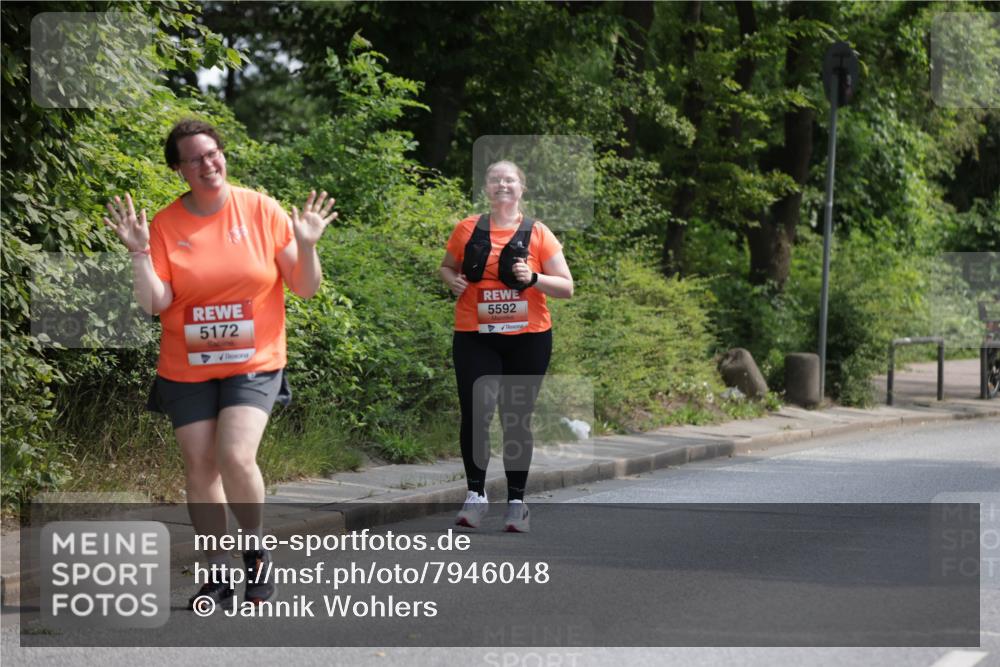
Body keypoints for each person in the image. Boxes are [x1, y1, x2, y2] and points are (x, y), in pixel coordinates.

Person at [103, 119, 337, 608]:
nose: (208, 164)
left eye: (213, 153)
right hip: (185, 366)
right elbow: (154, 302)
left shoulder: (260, 209)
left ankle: (254, 550)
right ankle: (216, 570)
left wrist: (308, 244)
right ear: (179, 169)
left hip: (255, 359)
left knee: (234, 456)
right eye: (195, 158)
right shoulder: (166, 225)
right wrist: (140, 252)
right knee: (199, 467)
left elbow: (305, 286)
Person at [439, 160, 573, 532]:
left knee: (515, 418)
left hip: (528, 338)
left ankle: (517, 502)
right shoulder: (467, 228)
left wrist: (533, 278)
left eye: (509, 179)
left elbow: (566, 286)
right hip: (474, 335)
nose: (502, 185)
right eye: (495, 179)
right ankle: (476, 497)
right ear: (486, 187)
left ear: (521, 188)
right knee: (476, 413)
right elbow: (447, 267)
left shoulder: (538, 233)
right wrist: (452, 280)